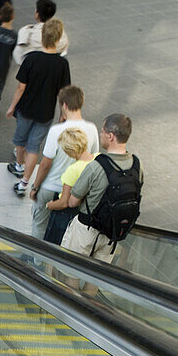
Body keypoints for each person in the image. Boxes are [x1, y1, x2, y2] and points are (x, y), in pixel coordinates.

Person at [62, 113, 143, 263]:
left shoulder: (96, 165)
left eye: (102, 131)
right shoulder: (137, 165)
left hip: (86, 231)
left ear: (111, 136)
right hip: (111, 233)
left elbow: (73, 202)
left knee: (70, 273)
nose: (100, 134)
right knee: (95, 279)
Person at [5, 17, 69, 196]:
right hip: (46, 113)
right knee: (34, 147)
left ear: (42, 38)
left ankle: (18, 165)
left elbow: (20, 87)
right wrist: (63, 114)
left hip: (25, 109)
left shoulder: (31, 59)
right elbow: (63, 92)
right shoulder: (62, 64)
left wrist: (11, 107)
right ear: (58, 40)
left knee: (20, 141)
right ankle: (24, 184)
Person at [27, 84, 97, 240]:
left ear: (64, 105)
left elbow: (45, 164)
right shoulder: (91, 129)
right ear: (81, 103)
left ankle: (36, 258)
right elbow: (92, 159)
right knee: (63, 229)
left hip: (50, 188)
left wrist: (35, 187)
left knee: (39, 225)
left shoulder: (56, 131)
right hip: (75, 192)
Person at [43, 127, 93, 244]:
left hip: (66, 213)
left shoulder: (73, 170)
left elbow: (64, 202)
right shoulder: (97, 158)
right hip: (84, 210)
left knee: (54, 243)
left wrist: (49, 205)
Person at [13, 0, 68, 68]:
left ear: (37, 13)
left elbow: (18, 56)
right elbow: (64, 51)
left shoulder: (26, 32)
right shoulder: (61, 34)